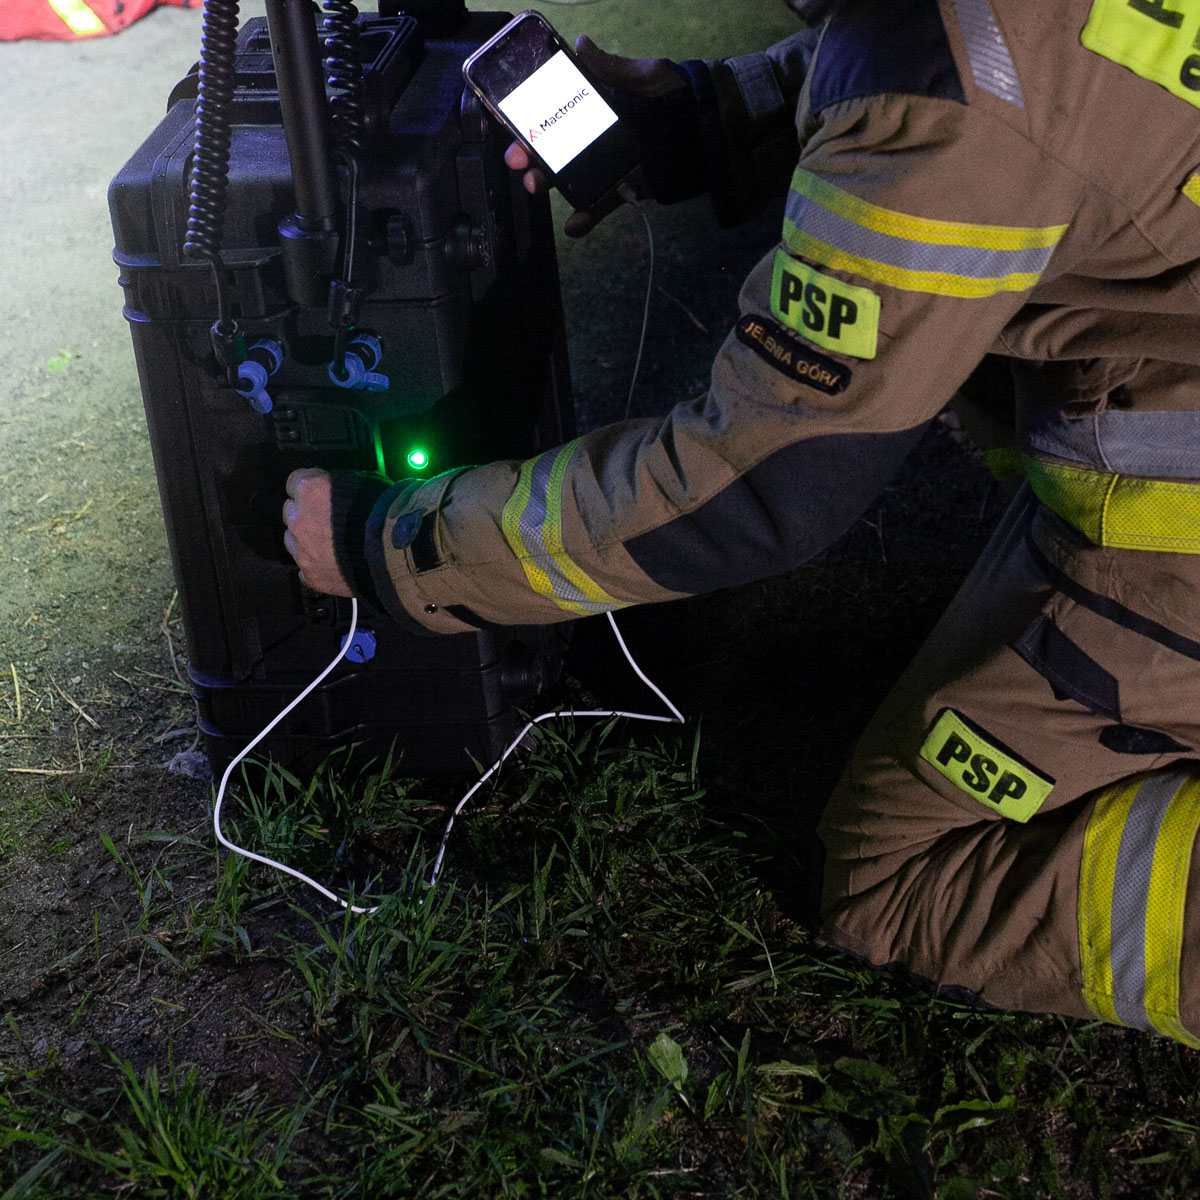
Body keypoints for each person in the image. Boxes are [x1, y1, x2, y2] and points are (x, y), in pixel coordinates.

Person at [283, 0, 1200, 1046]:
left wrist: (395, 546)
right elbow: (1041, 86)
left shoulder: (952, 102)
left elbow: (749, 488)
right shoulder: (969, 55)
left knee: (896, 877)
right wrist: (703, 116)